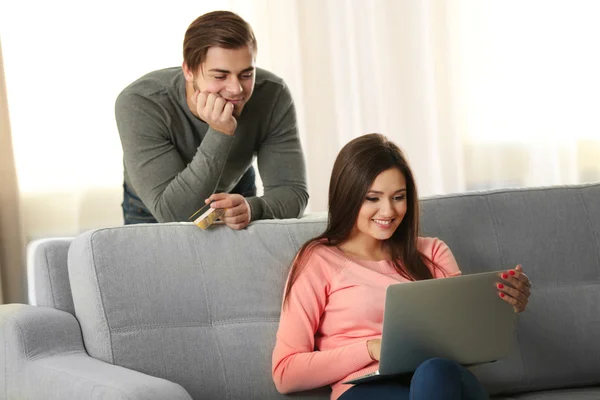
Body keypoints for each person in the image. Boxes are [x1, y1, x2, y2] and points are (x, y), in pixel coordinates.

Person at [271, 133, 532, 400]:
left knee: (435, 371)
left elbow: (465, 345)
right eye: (373, 198)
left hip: (441, 380)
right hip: (366, 389)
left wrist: (504, 307)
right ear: (347, 197)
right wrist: (371, 349)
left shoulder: (433, 252)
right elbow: (285, 373)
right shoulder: (318, 260)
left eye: (398, 197)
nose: (388, 211)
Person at [115, 11, 308, 229]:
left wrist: (253, 208)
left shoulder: (273, 95)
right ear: (188, 70)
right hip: (155, 208)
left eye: (246, 74)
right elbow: (174, 215)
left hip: (234, 193)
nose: (236, 89)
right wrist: (220, 132)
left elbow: (293, 191)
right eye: (220, 76)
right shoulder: (140, 102)